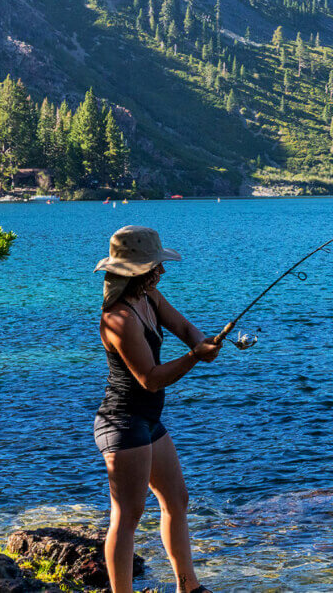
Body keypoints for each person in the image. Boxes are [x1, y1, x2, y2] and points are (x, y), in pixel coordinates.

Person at [93, 225, 221, 593]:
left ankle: (189, 586)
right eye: (155, 266)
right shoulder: (118, 318)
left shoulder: (148, 298)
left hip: (147, 420)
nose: (161, 272)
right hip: (122, 422)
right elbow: (149, 378)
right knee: (128, 516)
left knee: (177, 499)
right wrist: (195, 357)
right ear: (137, 271)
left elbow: (181, 324)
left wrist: (202, 342)